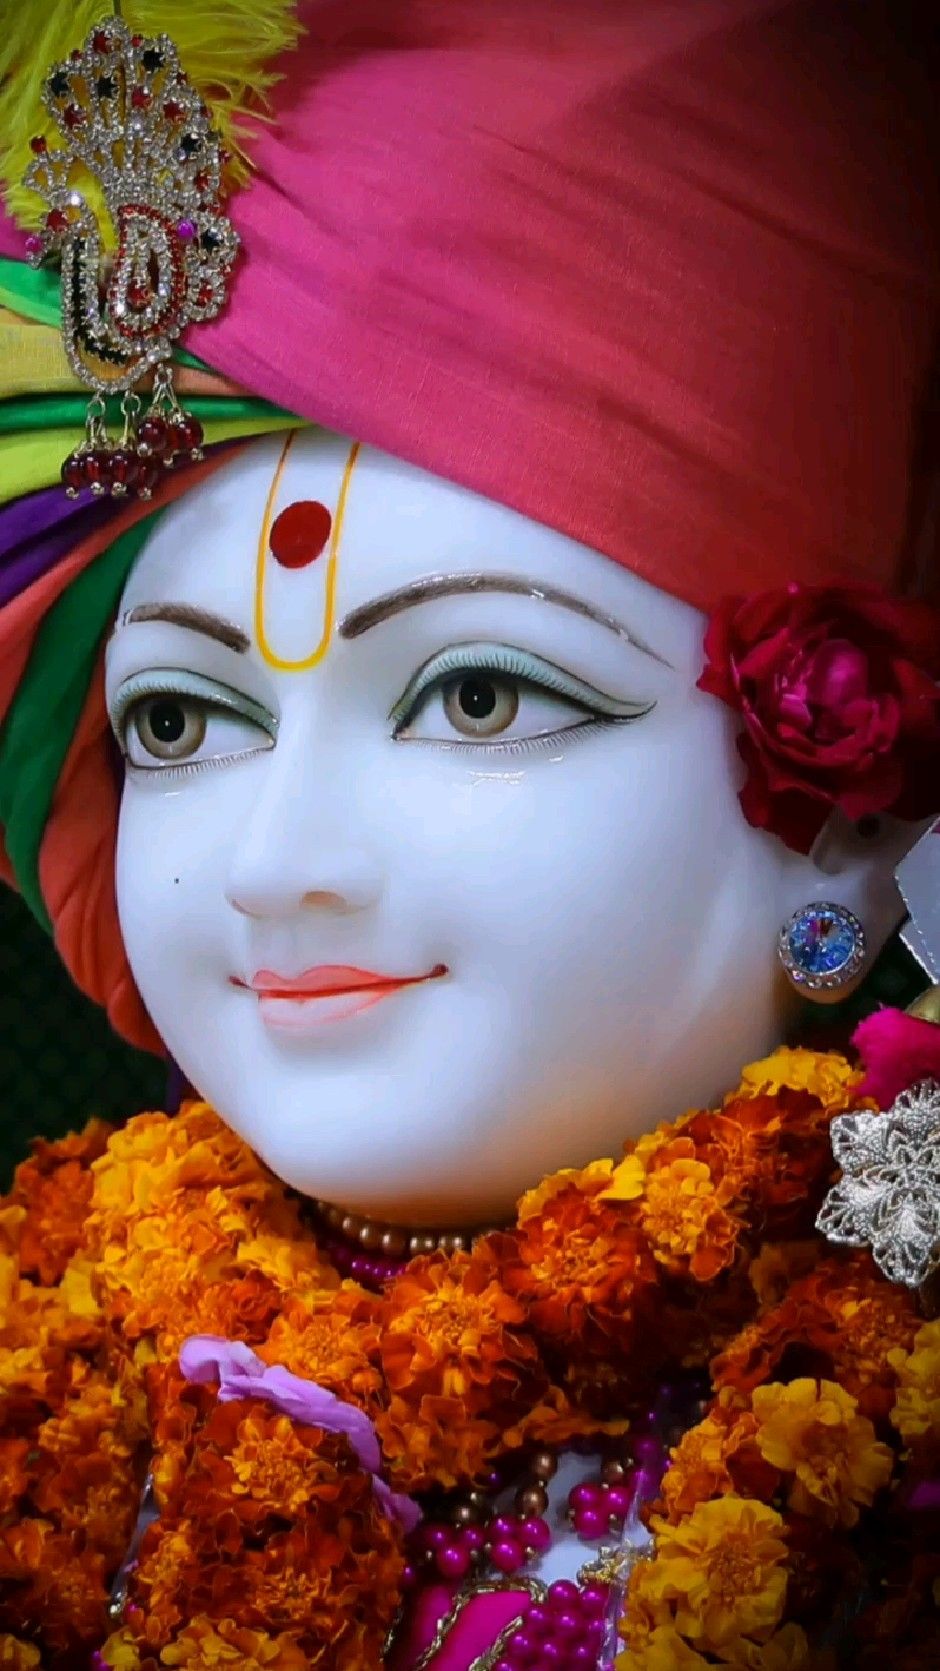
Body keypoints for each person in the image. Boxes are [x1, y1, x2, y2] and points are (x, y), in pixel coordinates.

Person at [0, 4, 937, 1668]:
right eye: (182, 723)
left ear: (855, 828)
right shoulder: (42, 1369)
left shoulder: (895, 1451)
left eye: (482, 697)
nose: (274, 862)